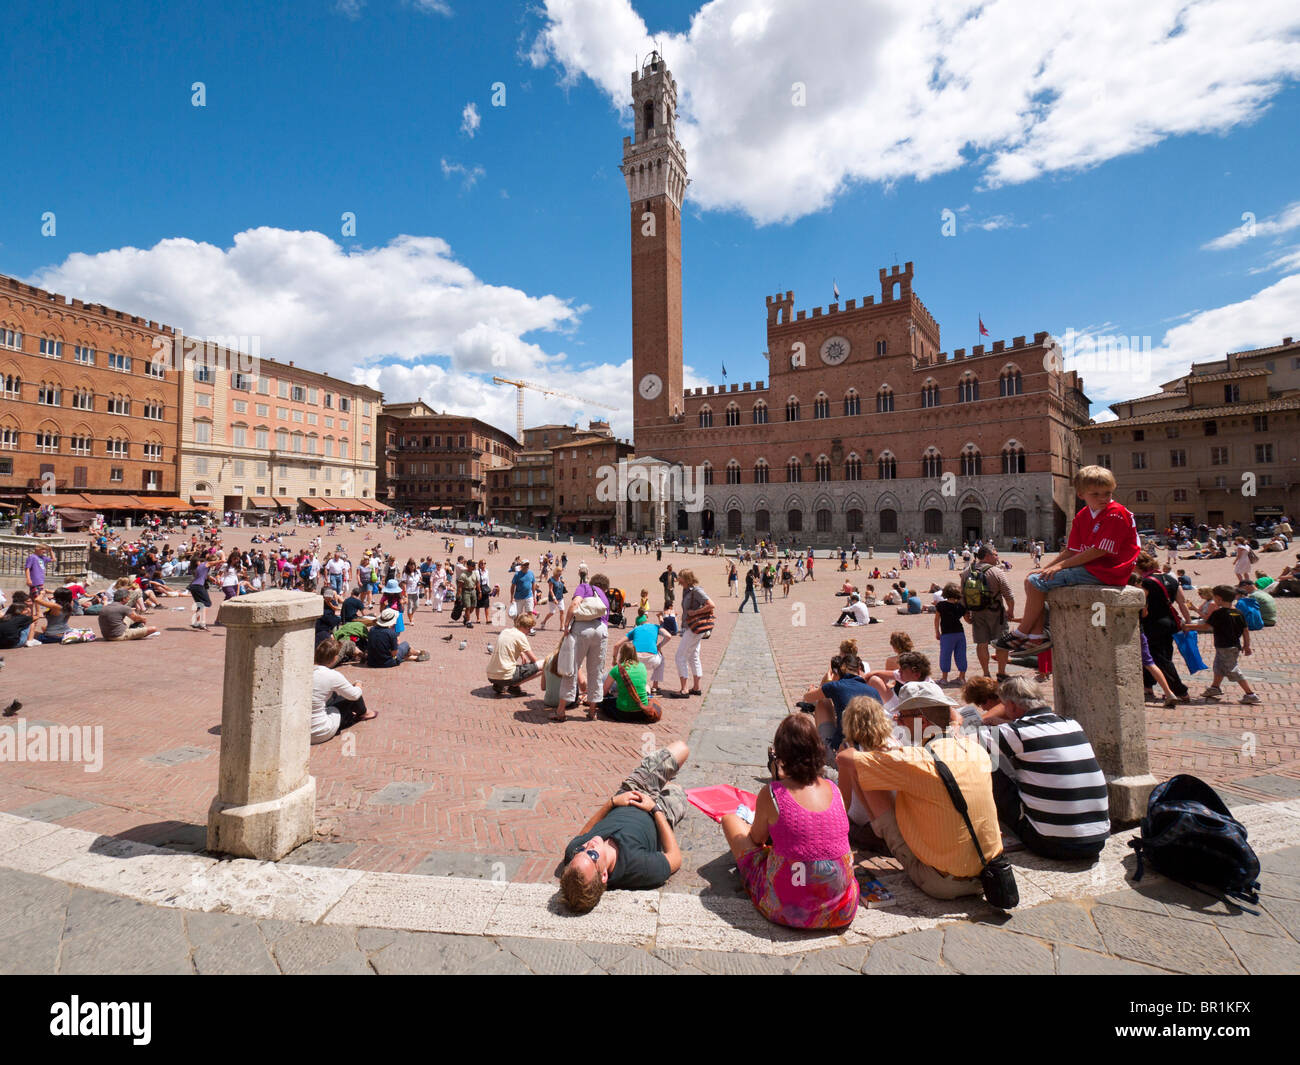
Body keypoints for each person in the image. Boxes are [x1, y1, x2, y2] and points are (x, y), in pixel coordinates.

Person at [837, 687, 1002, 899]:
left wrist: (849, 743)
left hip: (941, 882)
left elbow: (845, 759)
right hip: (987, 873)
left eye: (902, 716)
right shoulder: (974, 749)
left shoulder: (916, 760)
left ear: (921, 721)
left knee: (863, 771)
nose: (898, 721)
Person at [720, 714, 859, 930]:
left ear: (781, 755)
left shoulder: (774, 793)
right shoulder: (834, 789)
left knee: (730, 820)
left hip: (788, 909)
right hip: (841, 909)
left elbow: (756, 839)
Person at [995, 465, 1139, 655]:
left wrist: (1059, 566)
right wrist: (1046, 567)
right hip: (1093, 568)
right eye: (1096, 494)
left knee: (1036, 582)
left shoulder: (1115, 513)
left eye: (1108, 493)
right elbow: (1071, 550)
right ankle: (1036, 637)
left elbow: (1098, 551)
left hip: (1109, 571)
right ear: (1081, 494)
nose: (1103, 498)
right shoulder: (1083, 515)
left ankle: (1022, 633)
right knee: (1033, 579)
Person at [976, 677, 1109, 860]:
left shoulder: (1016, 733)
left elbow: (966, 742)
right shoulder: (1071, 724)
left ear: (1013, 707)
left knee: (988, 762)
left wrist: (956, 720)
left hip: (1052, 843)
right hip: (1096, 840)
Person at [559, 742, 691, 913]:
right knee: (678, 791)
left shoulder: (574, 855)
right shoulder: (638, 868)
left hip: (632, 791)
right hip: (661, 812)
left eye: (581, 850)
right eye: (592, 855)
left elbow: (583, 834)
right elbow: (675, 858)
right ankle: (667, 786)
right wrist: (654, 809)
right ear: (604, 875)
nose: (589, 845)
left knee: (682, 749)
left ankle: (663, 781)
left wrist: (612, 803)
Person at [1135, 551, 1193, 705]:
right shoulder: (1171, 579)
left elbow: (1142, 605)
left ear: (1137, 566)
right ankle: (1148, 686)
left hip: (1154, 623)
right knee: (1163, 656)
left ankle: (1180, 691)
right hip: (1171, 622)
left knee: (1159, 659)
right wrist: (1188, 622)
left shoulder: (1145, 582)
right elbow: (1182, 602)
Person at [1191, 585, 1259, 704]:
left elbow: (1206, 626)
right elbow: (1245, 630)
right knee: (1218, 667)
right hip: (1233, 646)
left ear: (1218, 598)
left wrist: (1186, 627)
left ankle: (1250, 694)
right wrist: (1247, 645)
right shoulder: (1238, 612)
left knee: (1233, 670)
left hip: (1225, 646)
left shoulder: (1219, 613)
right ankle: (1215, 688)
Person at [961, 545, 1016, 680]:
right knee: (1002, 643)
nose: (997, 557)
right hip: (997, 613)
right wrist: (1011, 610)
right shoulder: (996, 572)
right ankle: (1001, 673)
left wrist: (965, 613)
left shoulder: (967, 572)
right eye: (995, 555)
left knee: (982, 643)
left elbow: (962, 595)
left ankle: (986, 673)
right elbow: (1009, 595)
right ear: (987, 556)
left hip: (977, 612)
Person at [561, 567, 610, 715]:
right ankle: (592, 711)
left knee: (572, 667)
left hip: (582, 629)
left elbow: (575, 604)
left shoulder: (584, 587)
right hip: (601, 630)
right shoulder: (604, 597)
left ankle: (561, 710)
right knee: (596, 671)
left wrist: (566, 624)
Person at [311, 638, 376, 744]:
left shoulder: (305, 671)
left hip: (300, 730)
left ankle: (363, 712)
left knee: (335, 695)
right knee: (350, 696)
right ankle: (365, 713)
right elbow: (354, 695)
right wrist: (358, 685)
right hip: (320, 731)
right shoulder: (332, 675)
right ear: (335, 658)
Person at [673, 569, 713, 698]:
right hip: (691, 627)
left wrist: (695, 613)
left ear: (686, 579)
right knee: (693, 655)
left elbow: (711, 605)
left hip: (694, 627)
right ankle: (696, 687)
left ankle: (684, 689)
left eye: (680, 579)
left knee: (680, 656)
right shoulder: (687, 590)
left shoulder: (696, 590)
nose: (679, 582)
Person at [600, 643, 661, 722]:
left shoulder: (616, 669)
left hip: (623, 713)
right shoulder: (642, 666)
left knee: (605, 703)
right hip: (641, 712)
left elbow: (604, 691)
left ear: (621, 654)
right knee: (646, 686)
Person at [488, 612, 543, 698]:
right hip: (507, 675)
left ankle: (499, 684)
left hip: (491, 675)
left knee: (507, 664)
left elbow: (510, 644)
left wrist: (521, 653)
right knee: (544, 665)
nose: (529, 632)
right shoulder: (521, 635)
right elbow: (535, 660)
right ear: (524, 627)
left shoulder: (505, 631)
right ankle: (513, 686)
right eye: (529, 629)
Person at [623, 611, 671, 694]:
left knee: (629, 655)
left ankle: (632, 684)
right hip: (652, 659)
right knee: (661, 659)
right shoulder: (655, 627)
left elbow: (617, 645)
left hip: (636, 659)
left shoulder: (636, 629)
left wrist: (614, 657)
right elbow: (668, 636)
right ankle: (655, 686)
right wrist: (659, 646)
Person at [934, 583, 968, 685]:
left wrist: (937, 631)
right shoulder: (961, 606)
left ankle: (944, 678)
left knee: (945, 655)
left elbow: (936, 619)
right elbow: (968, 620)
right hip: (960, 633)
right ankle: (962, 677)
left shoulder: (941, 605)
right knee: (961, 655)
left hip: (947, 634)